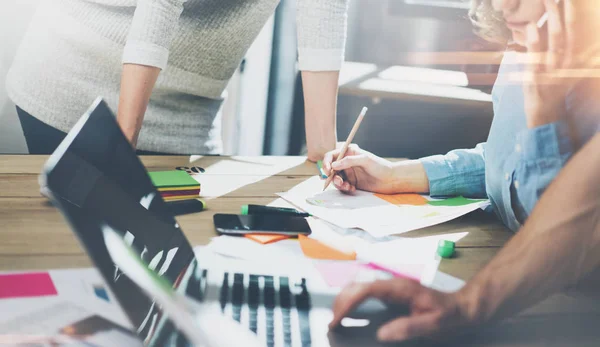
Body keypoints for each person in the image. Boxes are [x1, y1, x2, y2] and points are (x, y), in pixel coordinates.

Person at [325, 0, 600, 342]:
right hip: (508, 276)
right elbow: (506, 159)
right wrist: (395, 175)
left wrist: (545, 116)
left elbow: (568, 224)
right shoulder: (522, 48)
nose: (503, 5)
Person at [6, 0, 348, 158]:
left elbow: (324, 10)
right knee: (81, 260)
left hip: (190, 111)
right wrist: (122, 149)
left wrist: (325, 155)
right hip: (81, 76)